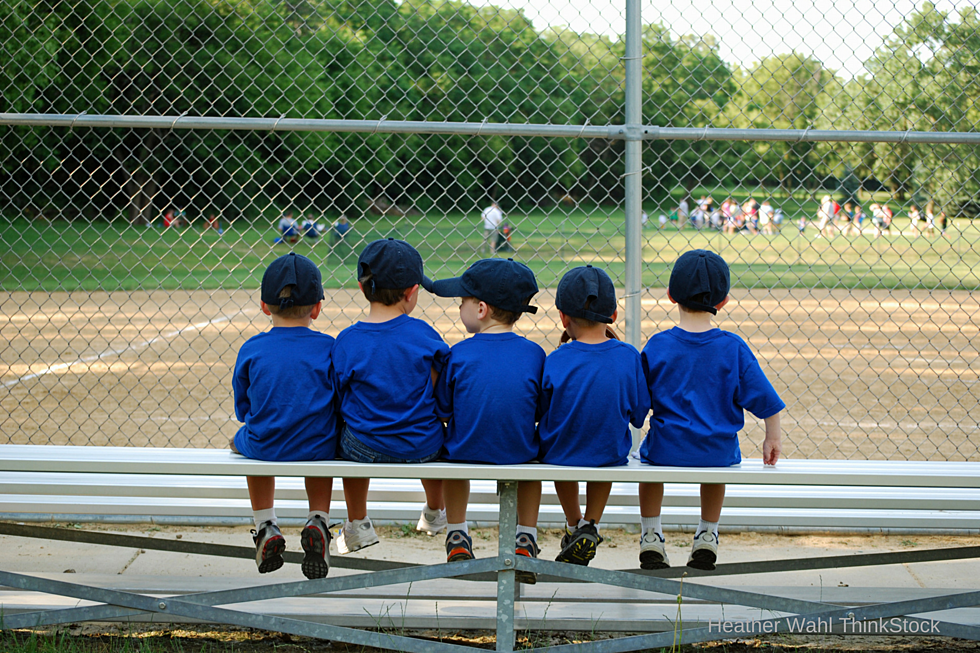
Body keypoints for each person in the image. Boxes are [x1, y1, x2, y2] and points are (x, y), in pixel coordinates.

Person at [637, 250, 784, 571]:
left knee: (646, 464)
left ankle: (650, 536)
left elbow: (638, 403)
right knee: (717, 466)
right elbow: (764, 398)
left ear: (671, 295)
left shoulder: (658, 345)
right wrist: (772, 435)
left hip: (666, 449)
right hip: (717, 452)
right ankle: (707, 535)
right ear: (724, 301)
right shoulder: (733, 347)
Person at [426, 258, 545, 582]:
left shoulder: (458, 354)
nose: (459, 306)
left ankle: (457, 533)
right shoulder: (534, 354)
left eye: (462, 301)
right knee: (532, 470)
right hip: (518, 453)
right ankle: (525, 537)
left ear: (481, 309)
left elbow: (444, 410)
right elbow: (536, 410)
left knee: (453, 463)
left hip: (465, 451)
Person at [331, 239, 449, 554]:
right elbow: (439, 389)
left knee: (346, 436)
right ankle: (435, 512)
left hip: (364, 446)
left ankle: (357, 522)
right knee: (439, 436)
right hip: (422, 446)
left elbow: (341, 395)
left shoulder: (348, 340)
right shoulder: (424, 334)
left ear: (361, 287)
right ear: (412, 292)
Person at [230, 252, 338, 579]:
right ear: (317, 308)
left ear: (265, 306)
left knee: (247, 440)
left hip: (266, 445)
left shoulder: (252, 348)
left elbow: (243, 408)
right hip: (318, 446)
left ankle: (265, 523)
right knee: (323, 441)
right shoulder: (330, 347)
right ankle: (318, 518)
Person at [537, 265, 651, 566]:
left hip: (560, 453)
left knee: (559, 449)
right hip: (608, 452)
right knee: (605, 450)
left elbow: (541, 411)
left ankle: (574, 524)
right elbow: (639, 416)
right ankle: (591, 523)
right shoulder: (629, 356)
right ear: (613, 315)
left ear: (563, 317)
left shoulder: (556, 359)